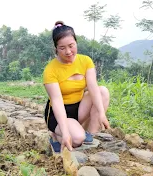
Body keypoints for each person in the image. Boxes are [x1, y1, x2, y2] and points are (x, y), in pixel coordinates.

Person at [43, 21, 110, 153]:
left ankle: (90, 134)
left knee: (102, 91)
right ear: (55, 48)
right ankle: (57, 135)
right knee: (76, 139)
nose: (68, 52)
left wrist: (102, 114)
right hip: (58, 114)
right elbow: (56, 101)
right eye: (62, 48)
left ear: (76, 43)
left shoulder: (85, 61)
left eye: (71, 46)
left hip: (78, 108)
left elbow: (93, 88)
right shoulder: (50, 70)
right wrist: (66, 132)